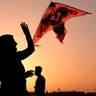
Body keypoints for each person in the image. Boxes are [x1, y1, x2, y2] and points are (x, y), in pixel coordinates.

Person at [0, 22, 35, 96]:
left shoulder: (10, 57)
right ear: (7, 45)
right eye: (13, 42)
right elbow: (8, 79)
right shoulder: (13, 57)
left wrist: (23, 75)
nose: (16, 43)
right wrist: (27, 34)